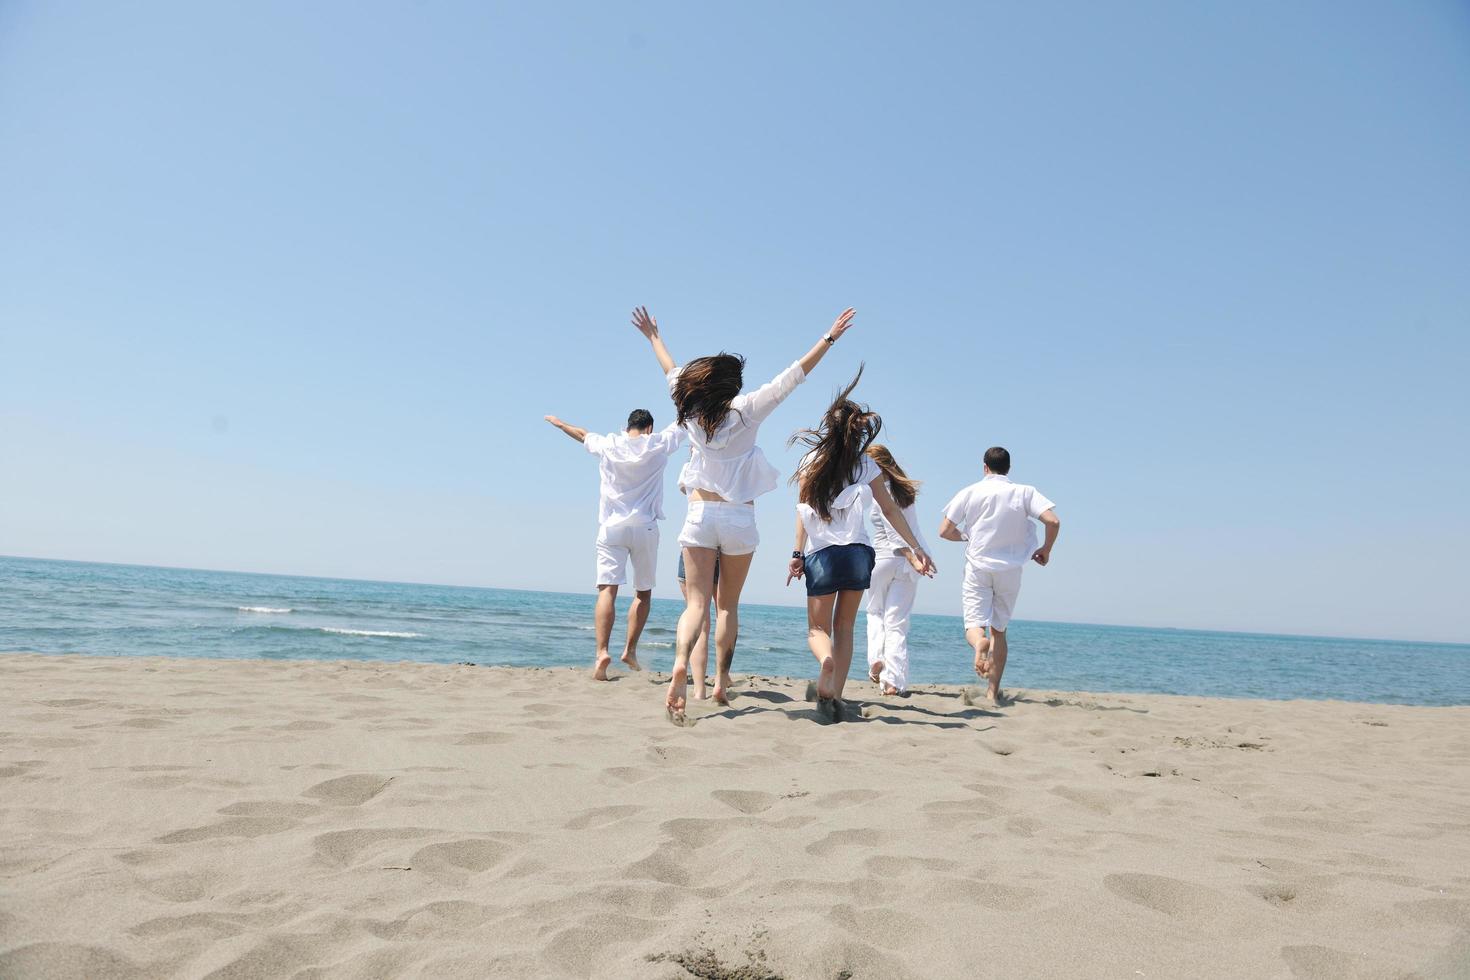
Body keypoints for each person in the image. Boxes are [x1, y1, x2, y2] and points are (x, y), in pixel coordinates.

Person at [631, 304, 856, 723]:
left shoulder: (688, 407)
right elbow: (795, 375)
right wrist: (829, 338)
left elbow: (670, 368)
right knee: (728, 606)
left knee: (695, 604)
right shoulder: (748, 409)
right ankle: (719, 681)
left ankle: (681, 665)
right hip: (738, 519)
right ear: (732, 385)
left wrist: (652, 336)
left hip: (699, 513)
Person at [786, 369, 935, 720]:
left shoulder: (810, 462)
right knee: (846, 628)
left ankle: (825, 661)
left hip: (822, 555)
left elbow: (802, 512)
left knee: (817, 629)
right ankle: (835, 694)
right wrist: (916, 547)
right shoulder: (865, 464)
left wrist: (796, 554)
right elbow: (890, 510)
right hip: (858, 554)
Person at [544, 409, 684, 680]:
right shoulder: (659, 443)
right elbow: (682, 424)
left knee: (608, 590)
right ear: (650, 427)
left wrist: (560, 424)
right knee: (643, 592)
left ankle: (601, 653)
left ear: (626, 426)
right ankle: (630, 650)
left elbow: (582, 434)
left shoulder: (609, 443)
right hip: (645, 527)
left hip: (611, 528)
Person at [938, 447, 1060, 705]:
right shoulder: (1024, 492)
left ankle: (979, 643)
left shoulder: (969, 492)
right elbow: (1053, 521)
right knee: (1000, 631)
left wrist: (966, 537)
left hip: (978, 566)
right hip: (1011, 570)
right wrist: (1045, 550)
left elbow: (945, 530)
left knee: (974, 625)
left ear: (985, 467)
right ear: (1009, 468)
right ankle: (993, 692)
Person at [864, 444, 933, 696]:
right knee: (897, 622)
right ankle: (892, 681)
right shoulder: (906, 492)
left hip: (884, 559)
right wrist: (921, 556)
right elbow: (913, 529)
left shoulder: (879, 494)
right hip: (906, 564)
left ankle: (875, 659)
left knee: (875, 612)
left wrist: (913, 557)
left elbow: (895, 532)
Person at [676, 550, 719, 700]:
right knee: (726, 613)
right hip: (727, 546)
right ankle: (721, 681)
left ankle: (700, 689)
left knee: (698, 615)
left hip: (695, 546)